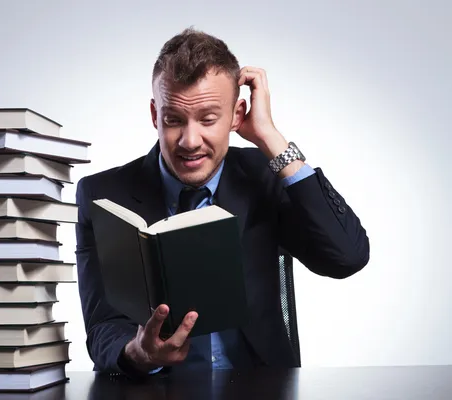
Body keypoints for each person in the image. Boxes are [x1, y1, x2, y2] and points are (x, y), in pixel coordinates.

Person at [74, 27, 370, 378]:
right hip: (154, 391)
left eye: (208, 119)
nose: (189, 140)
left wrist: (270, 137)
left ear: (236, 115)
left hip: (260, 387)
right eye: (173, 120)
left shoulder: (266, 176)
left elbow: (347, 257)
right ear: (155, 115)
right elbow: (102, 325)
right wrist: (139, 353)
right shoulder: (103, 194)